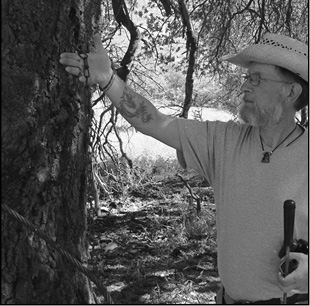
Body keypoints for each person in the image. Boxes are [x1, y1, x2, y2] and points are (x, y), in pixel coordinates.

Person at [60, 32, 308, 304]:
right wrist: (107, 78)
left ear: (291, 92)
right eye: (246, 78)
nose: (245, 87)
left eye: (257, 78)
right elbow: (153, 121)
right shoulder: (224, 140)